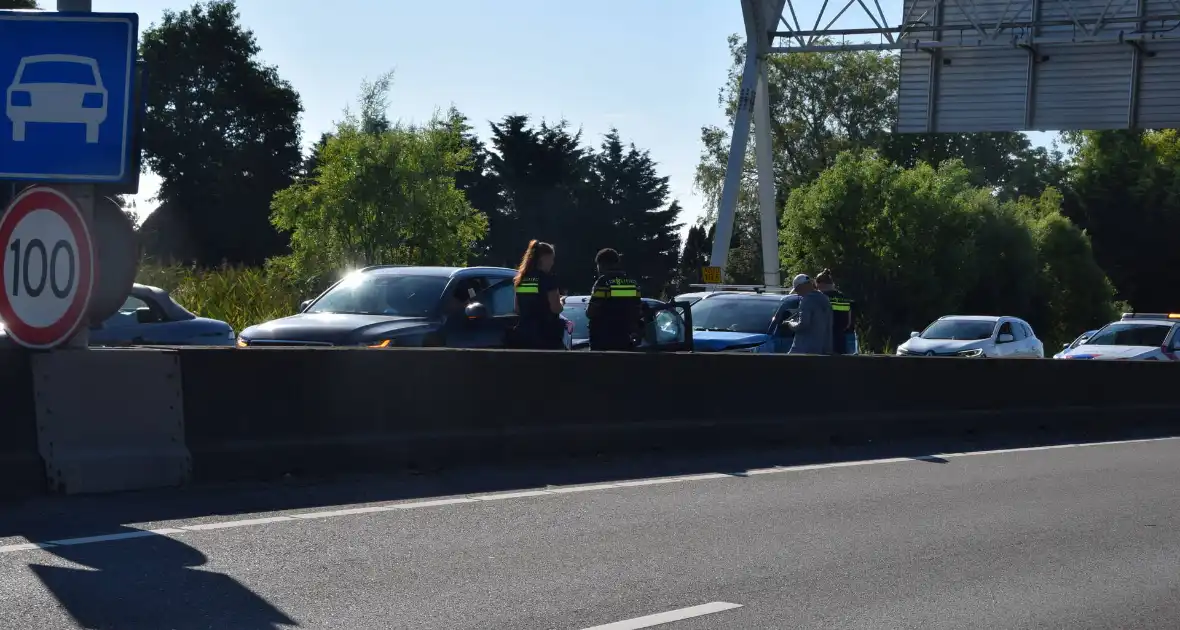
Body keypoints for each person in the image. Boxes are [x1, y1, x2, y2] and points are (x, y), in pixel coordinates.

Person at [512, 240, 565, 349]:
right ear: (543, 258)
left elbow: (517, 309)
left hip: (525, 336)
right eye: (551, 259)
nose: (552, 263)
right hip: (546, 336)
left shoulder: (521, 280)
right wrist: (561, 302)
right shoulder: (548, 279)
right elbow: (556, 308)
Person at [586, 248, 643, 351]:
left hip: (602, 340)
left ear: (601, 264)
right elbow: (637, 309)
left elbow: (591, 311)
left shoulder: (603, 282)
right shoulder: (632, 283)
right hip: (625, 339)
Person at [786, 273, 833, 355]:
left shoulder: (807, 300)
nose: (797, 293)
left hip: (804, 350)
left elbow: (804, 324)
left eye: (797, 290)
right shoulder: (825, 298)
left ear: (803, 286)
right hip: (823, 349)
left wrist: (791, 324)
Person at [815, 268, 856, 355]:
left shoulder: (820, 298)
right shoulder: (843, 297)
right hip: (841, 339)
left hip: (824, 341)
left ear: (820, 284)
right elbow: (848, 322)